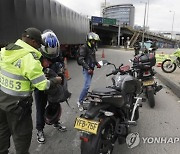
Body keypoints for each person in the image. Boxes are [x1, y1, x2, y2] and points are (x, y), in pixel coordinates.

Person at [0, 27, 62, 154]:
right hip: (18, 108)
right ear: (32, 41)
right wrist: (56, 80)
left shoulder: (5, 50)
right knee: (22, 138)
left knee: (2, 132)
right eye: (39, 43)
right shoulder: (30, 59)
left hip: (1, 102)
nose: (39, 47)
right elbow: (43, 85)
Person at [35, 30, 71, 144]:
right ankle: (40, 130)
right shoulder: (36, 54)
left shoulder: (58, 51)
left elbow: (61, 65)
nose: (51, 57)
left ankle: (56, 122)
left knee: (54, 104)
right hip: (41, 85)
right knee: (40, 107)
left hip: (54, 84)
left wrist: (60, 72)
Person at [77, 32, 101, 112]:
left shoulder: (92, 48)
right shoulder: (84, 48)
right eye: (93, 41)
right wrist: (88, 68)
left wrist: (97, 63)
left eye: (95, 41)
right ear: (89, 41)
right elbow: (80, 60)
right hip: (87, 69)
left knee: (88, 85)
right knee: (87, 86)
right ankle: (79, 101)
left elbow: (93, 58)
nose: (94, 43)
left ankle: (84, 98)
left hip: (91, 69)